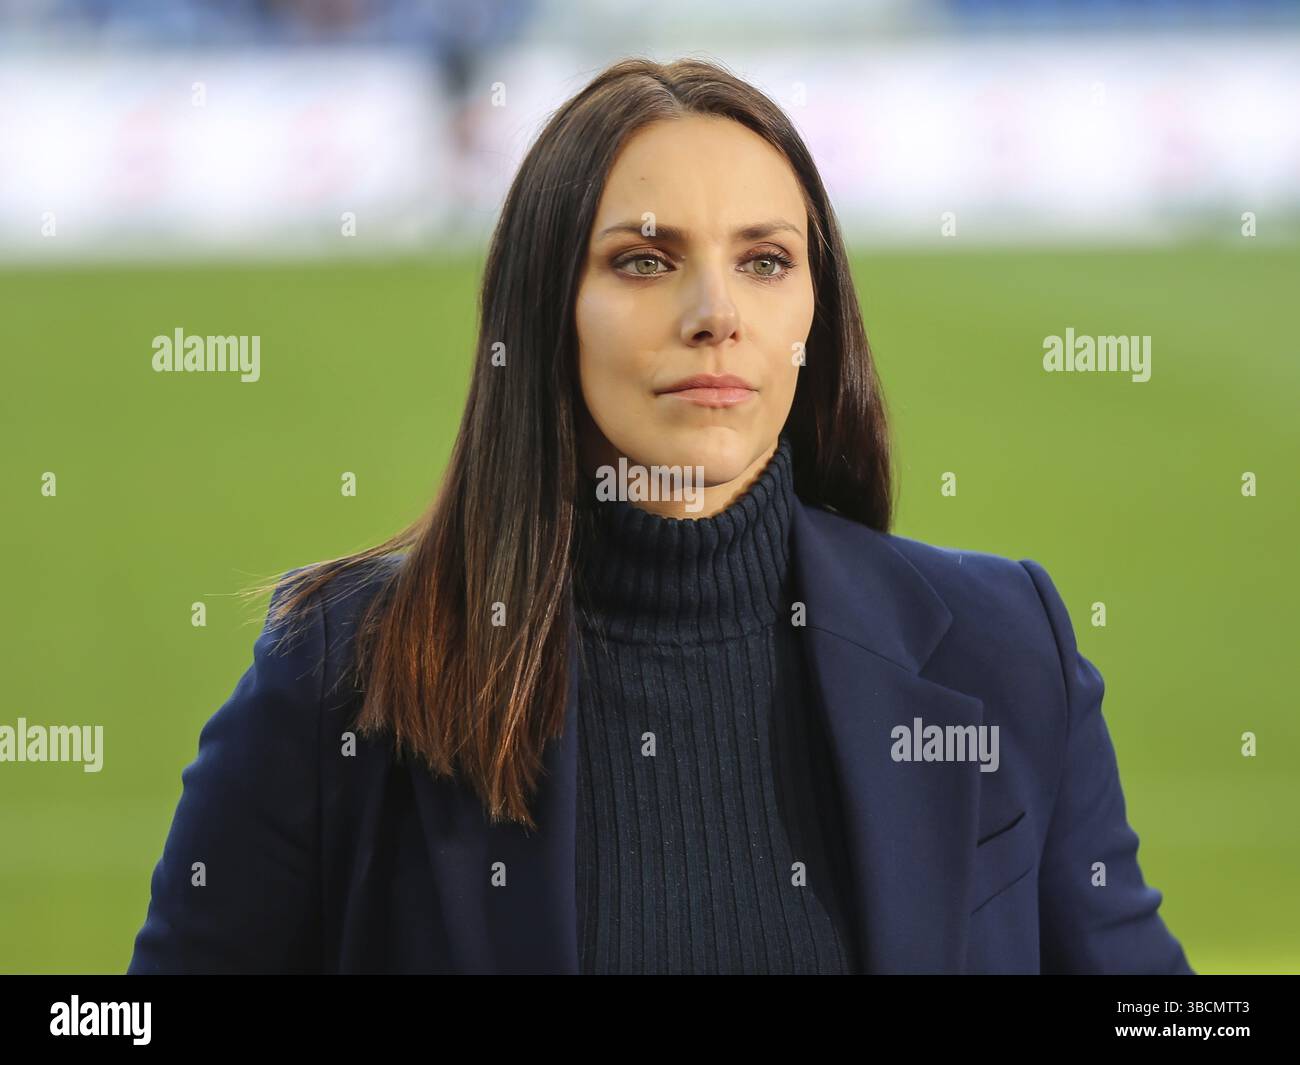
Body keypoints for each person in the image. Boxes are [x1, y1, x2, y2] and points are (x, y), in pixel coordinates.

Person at [127, 56, 1194, 975]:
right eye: (644, 260)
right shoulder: (346, 674)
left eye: (765, 261)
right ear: (547, 308)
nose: (715, 316)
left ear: (814, 310)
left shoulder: (1002, 648)